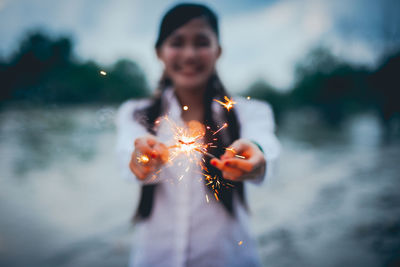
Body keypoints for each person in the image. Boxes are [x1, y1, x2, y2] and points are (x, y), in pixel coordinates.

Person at [116, 3, 280, 267]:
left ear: (218, 51)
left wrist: (256, 156)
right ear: (159, 52)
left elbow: (266, 146)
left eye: (201, 42)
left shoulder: (250, 112)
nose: (189, 54)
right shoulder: (135, 113)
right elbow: (126, 154)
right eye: (177, 42)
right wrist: (139, 159)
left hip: (228, 257)